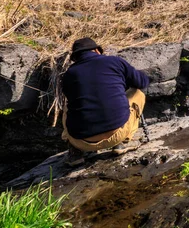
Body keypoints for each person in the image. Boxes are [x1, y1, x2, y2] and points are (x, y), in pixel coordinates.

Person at [61, 37, 149, 167]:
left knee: (67, 107)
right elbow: (142, 82)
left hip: (82, 141)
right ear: (97, 51)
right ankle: (123, 142)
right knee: (137, 93)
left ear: (76, 58)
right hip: (118, 134)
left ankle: (75, 153)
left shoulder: (68, 74)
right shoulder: (114, 62)